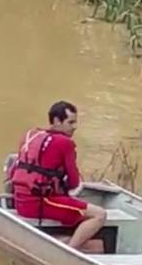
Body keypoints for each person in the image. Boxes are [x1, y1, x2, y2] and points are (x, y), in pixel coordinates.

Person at [8, 101, 106, 250]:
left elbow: (13, 171)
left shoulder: (30, 136)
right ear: (56, 122)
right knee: (100, 215)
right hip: (41, 203)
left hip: (20, 202)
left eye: (76, 122)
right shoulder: (65, 143)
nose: (75, 127)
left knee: (95, 244)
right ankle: (68, 250)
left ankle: (69, 243)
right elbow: (74, 183)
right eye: (70, 122)